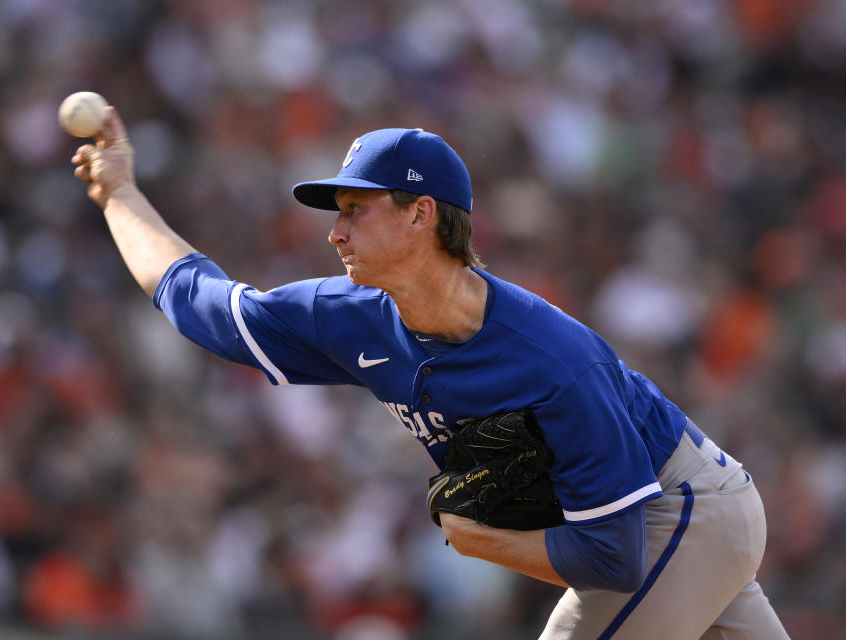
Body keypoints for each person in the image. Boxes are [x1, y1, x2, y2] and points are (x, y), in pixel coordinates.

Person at [71, 107, 790, 639]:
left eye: (356, 209)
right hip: (657, 527)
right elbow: (199, 305)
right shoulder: (347, 314)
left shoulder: (552, 358)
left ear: (422, 216)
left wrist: (479, 540)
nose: (334, 229)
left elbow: (615, 555)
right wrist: (121, 194)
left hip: (676, 510)